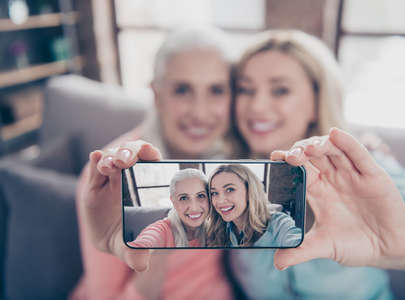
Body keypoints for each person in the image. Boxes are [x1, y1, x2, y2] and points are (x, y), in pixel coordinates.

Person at [227, 29, 405, 299]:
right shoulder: (228, 175)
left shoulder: (359, 166)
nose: (257, 106)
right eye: (245, 89)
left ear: (316, 101)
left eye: (280, 90)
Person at [70, 27, 234, 300]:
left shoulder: (234, 155)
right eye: (182, 90)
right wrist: (159, 251)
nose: (200, 112)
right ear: (156, 94)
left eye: (216, 90)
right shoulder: (108, 177)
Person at [207, 164, 302, 247]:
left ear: (250, 191)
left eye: (230, 190)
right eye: (214, 193)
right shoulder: (218, 229)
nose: (220, 201)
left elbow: (295, 241)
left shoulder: (278, 224)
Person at [128, 168, 210, 248]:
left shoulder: (214, 229)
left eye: (201, 196)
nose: (194, 208)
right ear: (174, 202)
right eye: (183, 198)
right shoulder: (161, 230)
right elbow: (144, 243)